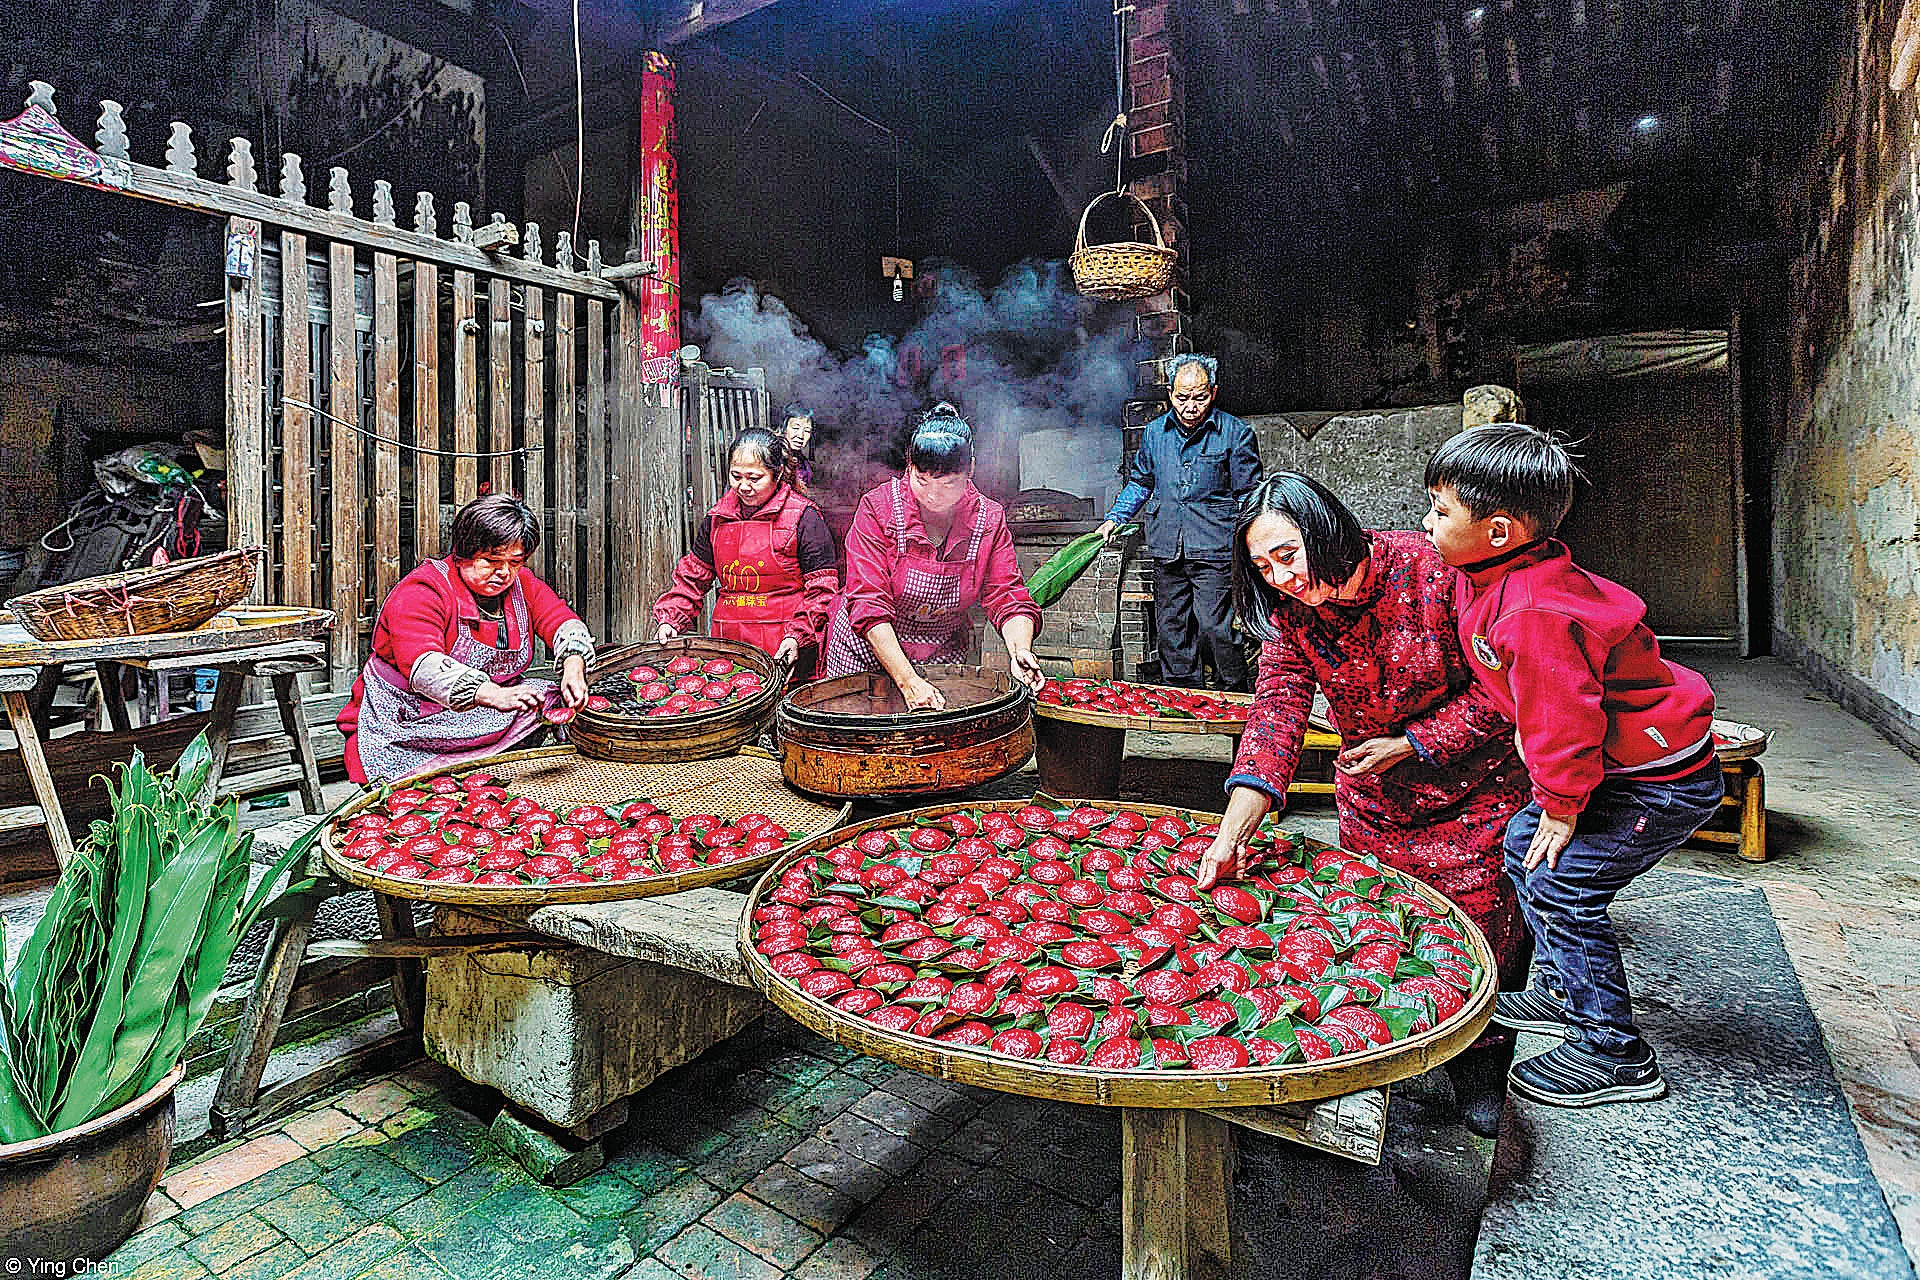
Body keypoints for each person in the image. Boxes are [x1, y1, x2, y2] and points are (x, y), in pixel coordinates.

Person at [1194, 472, 1531, 1135]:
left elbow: (1505, 689)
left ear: (1325, 530)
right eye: (1263, 567)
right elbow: (1276, 712)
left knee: (1481, 940)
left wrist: (1410, 743)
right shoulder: (1292, 614)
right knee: (1381, 936)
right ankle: (1391, 1054)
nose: (1280, 578)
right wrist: (1233, 830)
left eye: (1287, 555)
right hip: (1375, 804)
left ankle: (1480, 1067)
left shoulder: (1434, 570)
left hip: (1476, 800)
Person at [1424, 423, 1722, 1108]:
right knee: (1523, 846)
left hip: (1657, 780)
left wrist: (1561, 802)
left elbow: (1565, 715)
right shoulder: (1496, 571)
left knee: (1563, 884)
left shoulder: (1531, 608)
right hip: (1619, 769)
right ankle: (1563, 988)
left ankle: (1613, 1051)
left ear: (1498, 531)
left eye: (1442, 512)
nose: (1428, 523)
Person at [339, 493, 592, 784]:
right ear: (462, 554)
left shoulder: (522, 586)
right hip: (410, 723)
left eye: (515, 561)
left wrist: (574, 666)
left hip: (480, 713)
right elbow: (425, 666)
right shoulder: (423, 590)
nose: (504, 572)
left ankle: (498, 771)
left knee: (547, 695)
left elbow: (560, 619)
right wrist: (496, 695)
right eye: (491, 561)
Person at [822, 404, 1045, 709]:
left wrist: (1020, 649)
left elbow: (1006, 594)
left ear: (971, 470)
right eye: (922, 480)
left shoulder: (988, 519)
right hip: (867, 653)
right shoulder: (878, 509)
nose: (933, 495)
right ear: (909, 467)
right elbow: (868, 602)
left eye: (948, 484)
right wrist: (908, 681)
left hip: (941, 658)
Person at [1096, 354, 1263, 691]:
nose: (1191, 406)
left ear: (1213, 393)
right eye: (1182, 397)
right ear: (1170, 394)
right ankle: (1182, 695)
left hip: (1215, 546)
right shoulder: (1155, 433)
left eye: (1200, 397)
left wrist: (1255, 539)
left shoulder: (1236, 433)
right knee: (1172, 628)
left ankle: (1235, 692)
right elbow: (1141, 482)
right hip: (1167, 544)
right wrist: (1115, 518)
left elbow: (1250, 494)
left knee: (1215, 627)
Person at [653, 427, 838, 680]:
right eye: (736, 476)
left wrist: (798, 636)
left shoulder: (804, 518)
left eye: (754, 478)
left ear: (778, 474)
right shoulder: (717, 518)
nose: (743, 486)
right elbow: (693, 579)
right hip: (727, 647)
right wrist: (671, 618)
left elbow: (822, 590)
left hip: (784, 650)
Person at [781, 403, 815, 492]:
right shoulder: (774, 457)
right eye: (795, 428)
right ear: (784, 428)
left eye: (807, 430)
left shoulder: (801, 459)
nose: (801, 435)